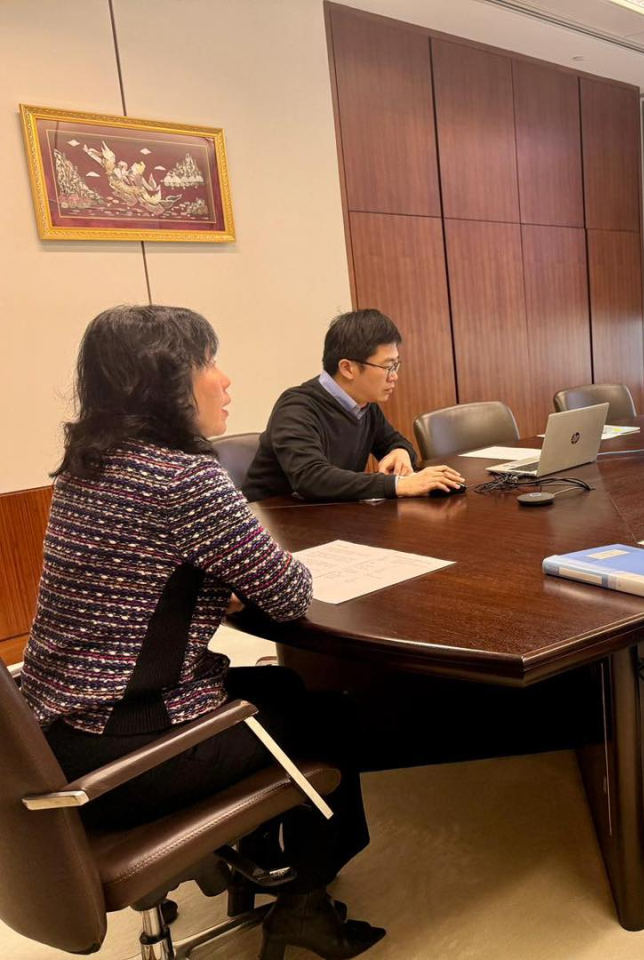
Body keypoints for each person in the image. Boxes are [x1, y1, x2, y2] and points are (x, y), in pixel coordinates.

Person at [19, 306, 384, 958]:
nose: (225, 379)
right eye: (207, 363)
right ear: (164, 384)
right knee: (330, 717)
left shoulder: (90, 463)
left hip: (55, 735)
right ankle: (304, 900)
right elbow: (290, 591)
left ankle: (259, 857)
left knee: (284, 688)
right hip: (123, 750)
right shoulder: (182, 478)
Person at [241, 309, 463, 502]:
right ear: (347, 368)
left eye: (396, 365)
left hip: (327, 518)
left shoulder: (364, 404)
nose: (394, 376)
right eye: (387, 367)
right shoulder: (296, 408)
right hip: (271, 525)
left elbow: (393, 441)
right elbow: (311, 478)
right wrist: (399, 485)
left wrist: (401, 452)